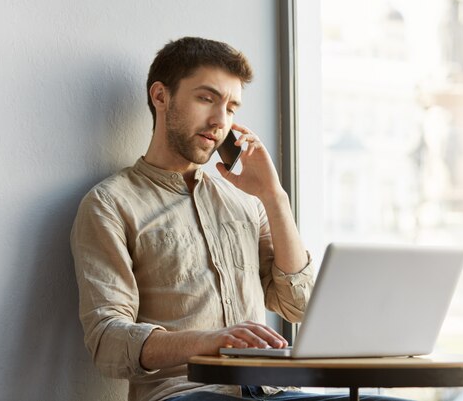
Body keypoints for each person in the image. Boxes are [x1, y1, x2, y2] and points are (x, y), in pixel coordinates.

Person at [71, 37, 406, 401]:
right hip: (186, 393)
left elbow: (297, 305)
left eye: (231, 107)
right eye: (206, 99)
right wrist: (210, 341)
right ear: (161, 96)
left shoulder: (245, 202)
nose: (220, 120)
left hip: (273, 390)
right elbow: (107, 341)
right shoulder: (110, 204)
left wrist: (274, 197)